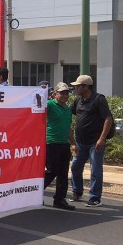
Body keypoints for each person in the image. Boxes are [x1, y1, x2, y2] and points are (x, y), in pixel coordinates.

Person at [69, 75, 114, 208]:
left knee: (95, 170)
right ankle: (77, 192)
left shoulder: (99, 99)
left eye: (78, 86)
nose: (76, 88)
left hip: (95, 142)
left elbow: (108, 119)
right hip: (80, 142)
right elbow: (69, 113)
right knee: (75, 167)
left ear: (86, 86)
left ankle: (95, 197)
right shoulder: (78, 100)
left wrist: (102, 138)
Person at [44, 82, 76, 211]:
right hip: (51, 143)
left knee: (63, 172)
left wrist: (73, 143)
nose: (65, 95)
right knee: (52, 170)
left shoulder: (68, 109)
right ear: (55, 94)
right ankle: (35, 192)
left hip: (64, 144)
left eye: (66, 93)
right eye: (62, 93)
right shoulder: (50, 105)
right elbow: (36, 104)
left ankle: (59, 199)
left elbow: (68, 128)